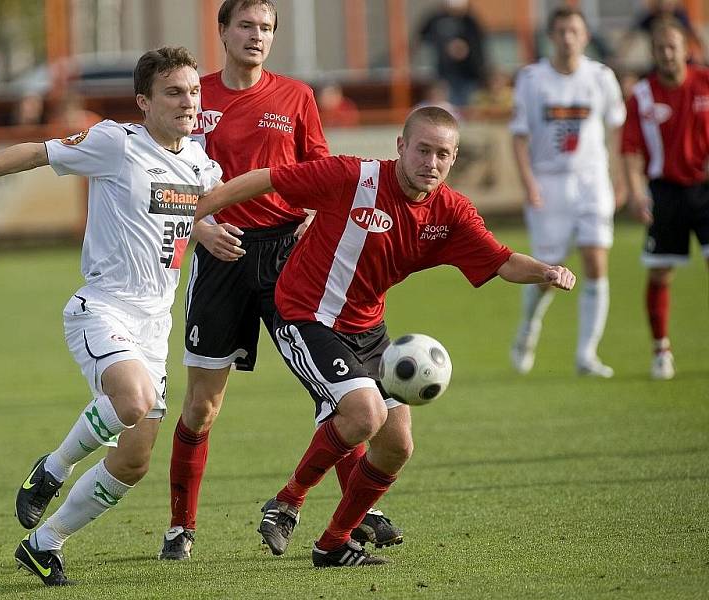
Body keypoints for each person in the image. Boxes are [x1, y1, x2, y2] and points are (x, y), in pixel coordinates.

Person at [191, 105, 576, 567]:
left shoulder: (451, 212)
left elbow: (501, 260)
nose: (430, 163)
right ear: (400, 147)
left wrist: (547, 271)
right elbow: (268, 178)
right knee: (363, 413)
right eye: (422, 150)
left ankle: (333, 544)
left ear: (453, 160)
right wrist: (198, 213)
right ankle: (288, 501)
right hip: (307, 316)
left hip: (368, 329)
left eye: (442, 155)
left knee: (397, 446)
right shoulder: (353, 177)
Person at [0, 46, 222, 586]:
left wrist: (213, 228)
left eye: (194, 91)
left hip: (155, 327)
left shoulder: (201, 163)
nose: (188, 101)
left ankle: (44, 543)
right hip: (103, 308)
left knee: (133, 462)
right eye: (174, 92)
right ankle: (53, 469)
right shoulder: (116, 142)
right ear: (143, 102)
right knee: (132, 400)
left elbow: (189, 211)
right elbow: (36, 152)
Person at [160, 0, 403, 562]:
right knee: (202, 405)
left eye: (266, 28)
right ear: (221, 32)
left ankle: (359, 514)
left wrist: (312, 224)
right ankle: (180, 526)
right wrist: (201, 228)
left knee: (332, 393)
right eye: (245, 25)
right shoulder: (198, 99)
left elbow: (322, 176)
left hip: (288, 263)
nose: (256, 36)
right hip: (219, 259)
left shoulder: (296, 97)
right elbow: (172, 178)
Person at [508, 7, 626, 378]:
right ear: (551, 36)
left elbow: (617, 130)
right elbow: (519, 136)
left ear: (585, 36)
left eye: (574, 31)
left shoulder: (601, 77)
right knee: (548, 274)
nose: (568, 38)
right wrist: (529, 183)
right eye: (560, 31)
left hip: (591, 179)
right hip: (549, 182)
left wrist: (619, 178)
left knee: (595, 260)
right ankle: (528, 328)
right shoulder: (532, 79)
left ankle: (587, 355)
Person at [621, 17, 709, 380]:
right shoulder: (642, 95)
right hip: (665, 192)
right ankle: (661, 351)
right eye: (660, 48)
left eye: (673, 46)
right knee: (660, 273)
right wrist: (637, 194)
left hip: (706, 191)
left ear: (686, 49)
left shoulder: (705, 82)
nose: (667, 54)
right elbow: (629, 150)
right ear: (654, 53)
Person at [417, 0, 487, 107]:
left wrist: (465, 49)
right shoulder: (436, 20)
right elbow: (424, 37)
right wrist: (446, 46)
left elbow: (479, 45)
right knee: (448, 105)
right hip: (445, 73)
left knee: (468, 105)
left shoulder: (470, 22)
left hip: (469, 73)